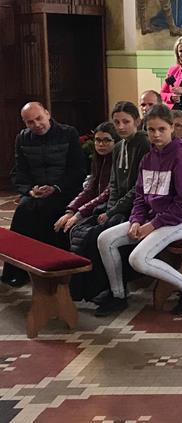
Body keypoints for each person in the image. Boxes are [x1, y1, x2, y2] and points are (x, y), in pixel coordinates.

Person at [96, 104, 182, 316]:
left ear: (171, 128)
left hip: (179, 222)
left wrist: (152, 225)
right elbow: (140, 197)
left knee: (138, 259)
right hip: (151, 220)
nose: (156, 134)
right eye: (151, 130)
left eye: (162, 129)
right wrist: (136, 220)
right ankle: (118, 295)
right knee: (105, 239)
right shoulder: (147, 159)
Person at [66, 102, 150, 305]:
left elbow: (138, 188)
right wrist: (110, 209)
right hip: (117, 207)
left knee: (97, 236)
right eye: (117, 122)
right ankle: (90, 289)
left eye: (126, 122)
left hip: (137, 209)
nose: (121, 126)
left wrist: (113, 211)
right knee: (83, 231)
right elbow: (113, 184)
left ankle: (110, 290)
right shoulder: (119, 146)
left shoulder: (144, 144)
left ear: (137, 121)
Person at [2, 102, 85, 287]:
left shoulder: (68, 133)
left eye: (39, 118)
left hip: (63, 190)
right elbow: (19, 171)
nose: (36, 124)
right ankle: (17, 271)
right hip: (36, 192)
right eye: (30, 122)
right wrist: (30, 190)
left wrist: (56, 187)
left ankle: (52, 268)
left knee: (48, 209)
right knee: (24, 210)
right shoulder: (22, 138)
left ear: (47, 114)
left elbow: (78, 169)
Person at [53, 122, 120, 301]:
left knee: (85, 234)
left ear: (115, 142)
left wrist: (79, 214)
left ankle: (90, 287)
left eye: (106, 140)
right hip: (97, 206)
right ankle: (67, 280)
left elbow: (108, 193)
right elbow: (90, 188)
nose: (101, 144)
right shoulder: (98, 159)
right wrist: (71, 210)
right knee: (61, 225)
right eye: (98, 140)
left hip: (110, 208)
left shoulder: (117, 159)